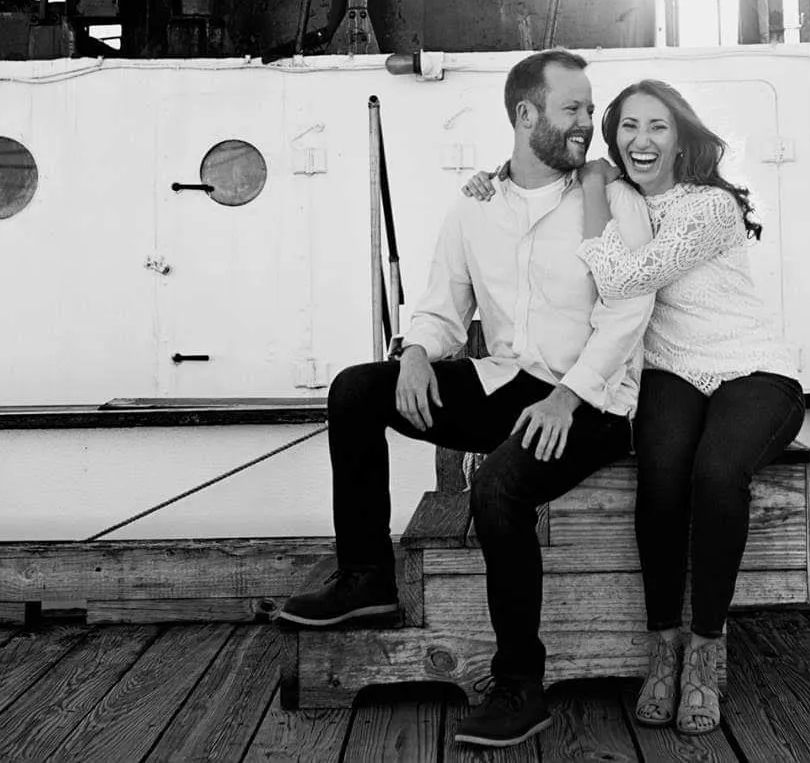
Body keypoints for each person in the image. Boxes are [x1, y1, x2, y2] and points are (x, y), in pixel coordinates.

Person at [276, 48, 657, 751]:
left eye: (588, 106)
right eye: (572, 108)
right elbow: (442, 306)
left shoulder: (612, 201)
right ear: (526, 114)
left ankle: (519, 685)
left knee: (499, 488)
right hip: (507, 381)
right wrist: (417, 352)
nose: (587, 121)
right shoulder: (476, 204)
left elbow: (627, 315)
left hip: (596, 401)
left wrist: (567, 398)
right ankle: (366, 576)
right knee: (356, 390)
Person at [464, 79, 801, 737]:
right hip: (671, 370)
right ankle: (663, 650)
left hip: (751, 368)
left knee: (717, 473)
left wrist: (594, 185)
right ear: (613, 136)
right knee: (662, 478)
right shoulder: (620, 197)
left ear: (681, 139)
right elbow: (533, 186)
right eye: (628, 126)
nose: (641, 140)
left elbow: (622, 278)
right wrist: (492, 180)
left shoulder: (709, 207)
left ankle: (706, 650)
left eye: (657, 127)